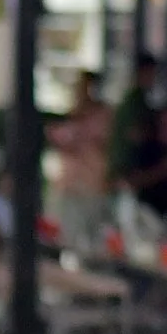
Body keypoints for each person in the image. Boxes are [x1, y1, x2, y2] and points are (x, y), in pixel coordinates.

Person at [48, 70, 113, 251]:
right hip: (69, 185)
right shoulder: (69, 116)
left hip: (92, 185)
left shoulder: (103, 115)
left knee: (93, 240)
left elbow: (102, 142)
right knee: (66, 237)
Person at [125, 104, 167, 218]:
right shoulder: (147, 148)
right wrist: (162, 170)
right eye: (164, 123)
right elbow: (133, 181)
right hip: (148, 211)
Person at [109, 52, 161, 183]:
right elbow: (134, 134)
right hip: (127, 170)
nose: (153, 78)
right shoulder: (134, 102)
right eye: (151, 73)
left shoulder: (139, 100)